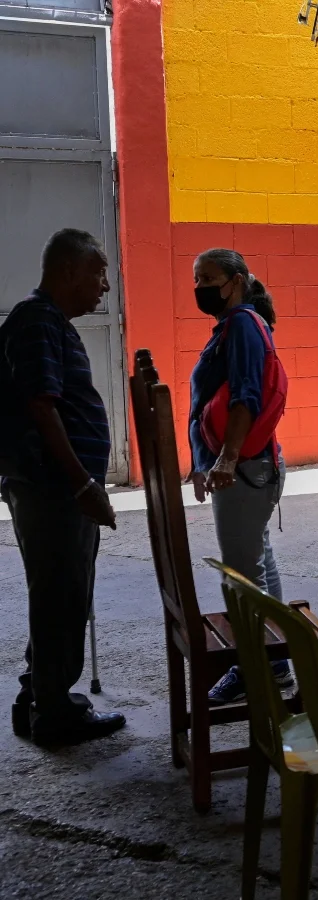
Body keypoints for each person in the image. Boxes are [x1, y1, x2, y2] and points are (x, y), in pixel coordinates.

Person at [0, 229, 126, 745]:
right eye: (98, 272)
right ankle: (53, 715)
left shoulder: (49, 322)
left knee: (55, 595)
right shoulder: (36, 322)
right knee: (62, 597)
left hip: (54, 488)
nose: (104, 287)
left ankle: (38, 696)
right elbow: (42, 407)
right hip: (53, 490)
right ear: (68, 270)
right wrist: (82, 486)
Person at [188, 248, 290, 704]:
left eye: (209, 278)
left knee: (240, 576)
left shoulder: (244, 325)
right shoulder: (234, 325)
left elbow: (244, 397)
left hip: (246, 470)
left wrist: (225, 461)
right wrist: (201, 460)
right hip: (248, 468)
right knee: (257, 563)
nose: (200, 288)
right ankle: (277, 663)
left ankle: (254, 669)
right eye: (196, 279)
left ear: (237, 280)